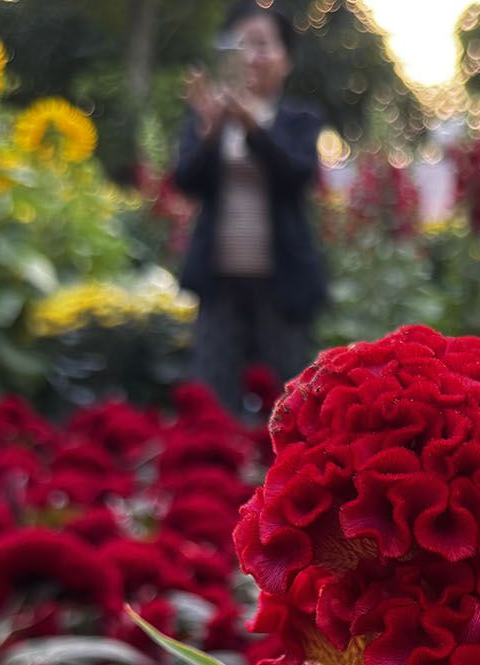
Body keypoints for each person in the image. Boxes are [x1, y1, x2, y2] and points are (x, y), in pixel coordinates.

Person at [173, 1, 327, 413]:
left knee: (290, 400)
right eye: (240, 46)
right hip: (219, 280)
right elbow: (185, 181)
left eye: (262, 45)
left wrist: (251, 126)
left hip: (283, 282)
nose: (251, 57)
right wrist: (209, 134)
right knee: (211, 399)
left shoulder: (299, 120)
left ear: (286, 58)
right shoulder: (209, 117)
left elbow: (297, 177)